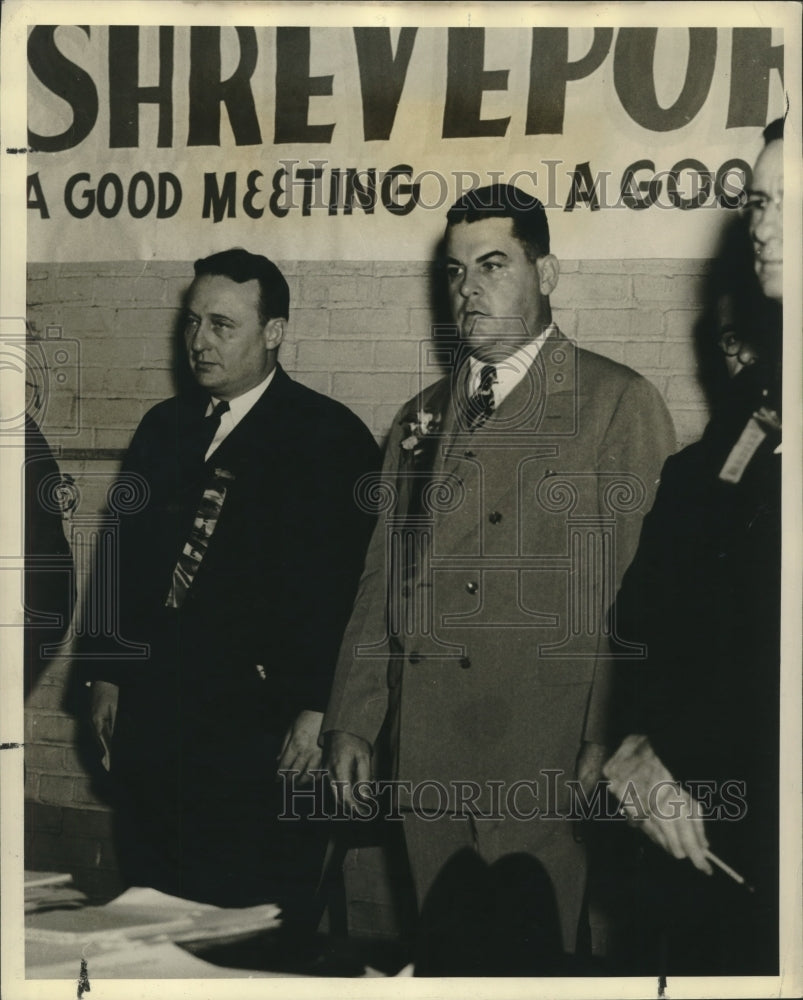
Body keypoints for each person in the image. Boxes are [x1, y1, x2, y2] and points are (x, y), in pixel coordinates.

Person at [322, 184, 675, 964]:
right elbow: (381, 580)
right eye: (454, 271)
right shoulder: (418, 417)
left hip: (544, 749)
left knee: (531, 956)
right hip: (428, 750)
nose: (468, 289)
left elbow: (643, 599)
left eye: (492, 265)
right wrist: (353, 717)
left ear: (544, 273)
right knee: (444, 957)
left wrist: (606, 739)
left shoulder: (614, 402)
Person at [81, 248, 380, 920]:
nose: (199, 341)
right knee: (151, 912)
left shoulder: (329, 436)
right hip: (156, 725)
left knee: (251, 919)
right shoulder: (163, 428)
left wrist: (319, 710)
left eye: (222, 325)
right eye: (193, 322)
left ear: (273, 332)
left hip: (261, 733)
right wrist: (105, 672)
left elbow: (354, 592)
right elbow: (119, 557)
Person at [601, 118, 785, 975]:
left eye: (787, 203)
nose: (761, 227)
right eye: (757, 203)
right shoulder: (754, 410)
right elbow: (653, 606)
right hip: (708, 842)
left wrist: (680, 754)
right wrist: (642, 744)